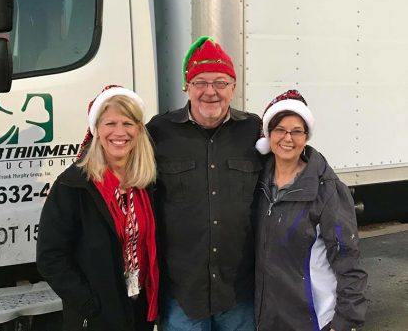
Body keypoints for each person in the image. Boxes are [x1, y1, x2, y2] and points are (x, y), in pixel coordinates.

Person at [147, 36, 262, 330]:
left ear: (233, 88)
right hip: (183, 294)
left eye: (221, 83)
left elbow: (293, 162)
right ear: (187, 86)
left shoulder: (255, 130)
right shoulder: (159, 132)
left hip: (239, 292)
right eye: (200, 82)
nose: (210, 92)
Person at [36, 85, 159, 331]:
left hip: (140, 309)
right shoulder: (74, 185)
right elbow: (50, 258)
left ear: (138, 129)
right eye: (110, 124)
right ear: (96, 130)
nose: (119, 132)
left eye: (128, 123)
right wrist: (89, 304)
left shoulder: (148, 182)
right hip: (96, 317)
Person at [253, 90, 367, 331]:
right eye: (280, 129)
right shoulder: (258, 183)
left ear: (306, 136)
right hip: (268, 318)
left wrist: (344, 320)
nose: (288, 138)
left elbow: (347, 259)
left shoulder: (327, 190)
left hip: (314, 320)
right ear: (268, 134)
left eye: (297, 131)